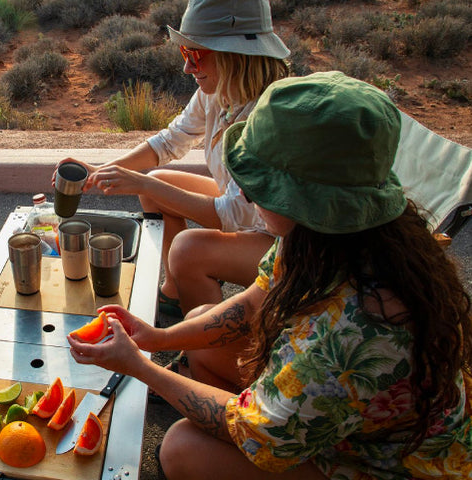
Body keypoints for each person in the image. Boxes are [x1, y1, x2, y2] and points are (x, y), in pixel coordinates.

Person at [68, 72, 472, 479]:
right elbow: (253, 302)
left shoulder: (353, 333)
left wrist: (141, 366)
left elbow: (260, 434)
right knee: (195, 325)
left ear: (306, 199)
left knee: (182, 448)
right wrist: (158, 339)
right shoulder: (327, 231)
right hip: (338, 420)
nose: (243, 193)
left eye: (262, 184)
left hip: (381, 467)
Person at [55, 0, 290, 317]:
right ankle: (178, 294)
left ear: (236, 56)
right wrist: (104, 171)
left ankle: (204, 354)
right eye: (185, 54)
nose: (187, 68)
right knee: (157, 183)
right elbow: (169, 141)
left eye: (195, 56)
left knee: (187, 250)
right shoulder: (217, 91)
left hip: (286, 244)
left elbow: (233, 215)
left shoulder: (270, 116)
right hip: (250, 216)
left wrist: (142, 185)